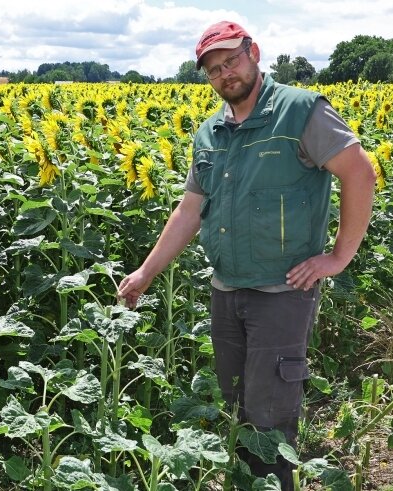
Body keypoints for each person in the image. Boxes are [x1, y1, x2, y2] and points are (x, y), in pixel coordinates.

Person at [117, 20, 376, 489]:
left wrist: (338, 257)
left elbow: (360, 173)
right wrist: (145, 272)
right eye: (213, 70)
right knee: (234, 405)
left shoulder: (300, 112)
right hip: (226, 289)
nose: (224, 74)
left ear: (254, 52)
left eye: (231, 60)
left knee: (271, 415)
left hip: (282, 291)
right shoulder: (211, 133)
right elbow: (190, 209)